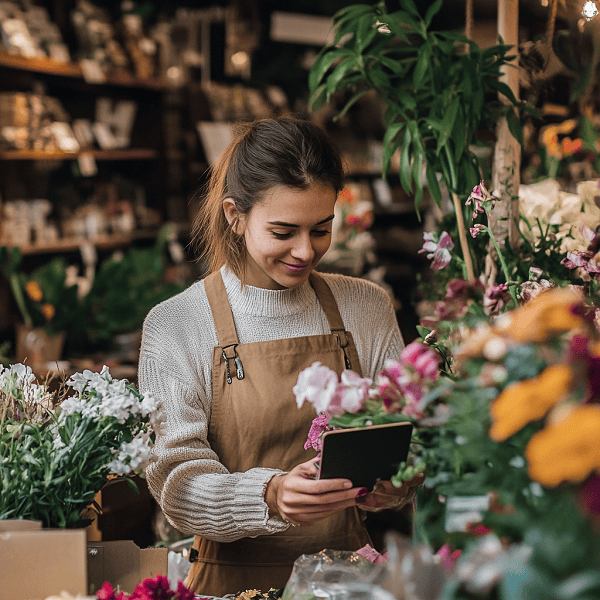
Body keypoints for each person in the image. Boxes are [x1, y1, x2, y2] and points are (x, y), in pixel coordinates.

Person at [139, 117, 419, 597]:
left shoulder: (366, 307)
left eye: (322, 229)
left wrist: (392, 484)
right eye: (284, 231)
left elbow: (407, 442)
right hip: (228, 585)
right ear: (235, 214)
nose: (305, 251)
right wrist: (270, 495)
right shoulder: (177, 324)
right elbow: (176, 485)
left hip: (347, 581)